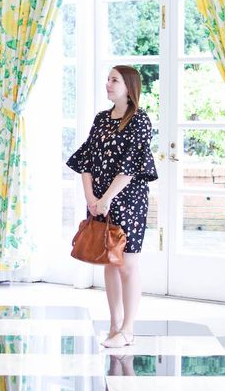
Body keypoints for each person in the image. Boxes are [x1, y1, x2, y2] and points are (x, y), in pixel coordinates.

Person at [65, 65, 158, 348]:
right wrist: (90, 197)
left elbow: (131, 168)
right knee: (109, 260)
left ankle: (128, 328)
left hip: (127, 200)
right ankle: (114, 324)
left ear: (129, 87)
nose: (108, 84)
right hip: (99, 201)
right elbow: (86, 160)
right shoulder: (101, 119)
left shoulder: (140, 120)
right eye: (107, 79)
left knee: (127, 263)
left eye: (114, 80)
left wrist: (106, 199)